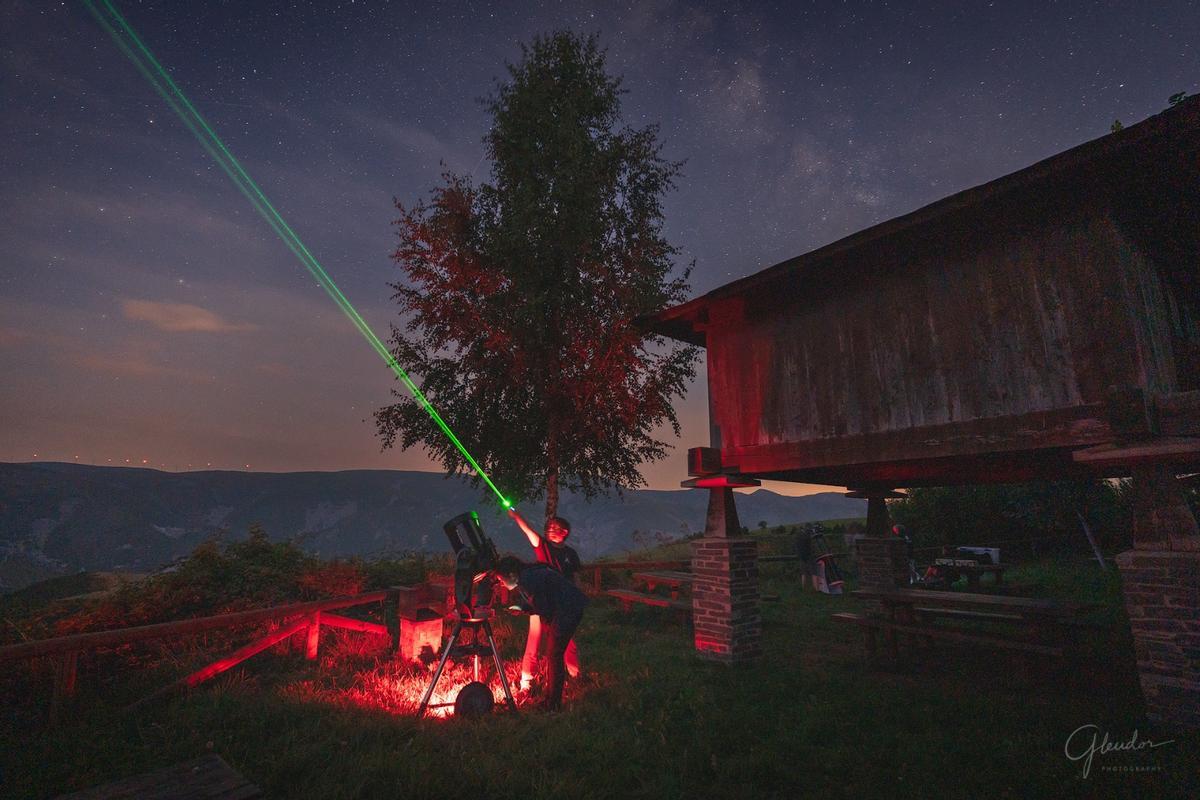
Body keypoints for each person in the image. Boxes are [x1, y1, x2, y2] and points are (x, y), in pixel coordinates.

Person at [494, 555, 588, 711]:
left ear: (511, 575)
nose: (502, 584)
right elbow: (540, 602)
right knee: (555, 654)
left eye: (502, 580)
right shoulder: (529, 574)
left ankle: (553, 704)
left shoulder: (527, 580)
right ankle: (551, 699)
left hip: (568, 609)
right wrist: (524, 608)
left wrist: (526, 610)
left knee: (554, 655)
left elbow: (542, 607)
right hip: (570, 606)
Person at [508, 509, 582, 690]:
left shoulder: (570, 554)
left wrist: (576, 596)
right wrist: (515, 515)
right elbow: (528, 530)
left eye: (554, 527)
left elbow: (575, 577)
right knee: (534, 640)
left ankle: (575, 675)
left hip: (562, 603)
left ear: (564, 532)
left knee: (568, 642)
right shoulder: (543, 546)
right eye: (548, 526)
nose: (549, 529)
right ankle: (526, 681)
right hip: (539, 601)